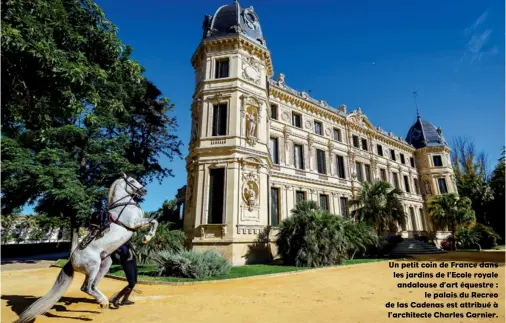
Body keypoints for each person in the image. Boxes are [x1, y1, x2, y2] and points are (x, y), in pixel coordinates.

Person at [109, 240, 138, 308]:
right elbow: (123, 253)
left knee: (134, 281)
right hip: (127, 263)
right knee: (131, 283)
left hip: (133, 262)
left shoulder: (128, 242)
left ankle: (125, 300)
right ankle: (116, 299)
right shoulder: (120, 245)